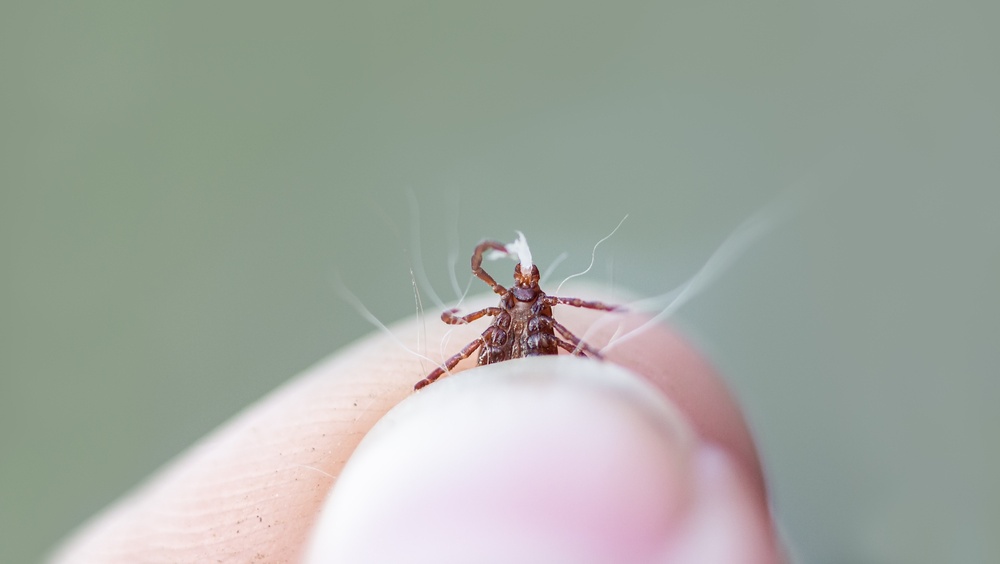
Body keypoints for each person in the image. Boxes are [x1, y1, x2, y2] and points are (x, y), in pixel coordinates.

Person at [50, 292, 784, 563]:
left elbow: (464, 332)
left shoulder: (506, 322)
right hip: (531, 388)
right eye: (523, 300)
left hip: (509, 381)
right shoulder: (539, 322)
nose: (527, 305)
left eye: (526, 300)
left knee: (464, 362)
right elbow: (569, 345)